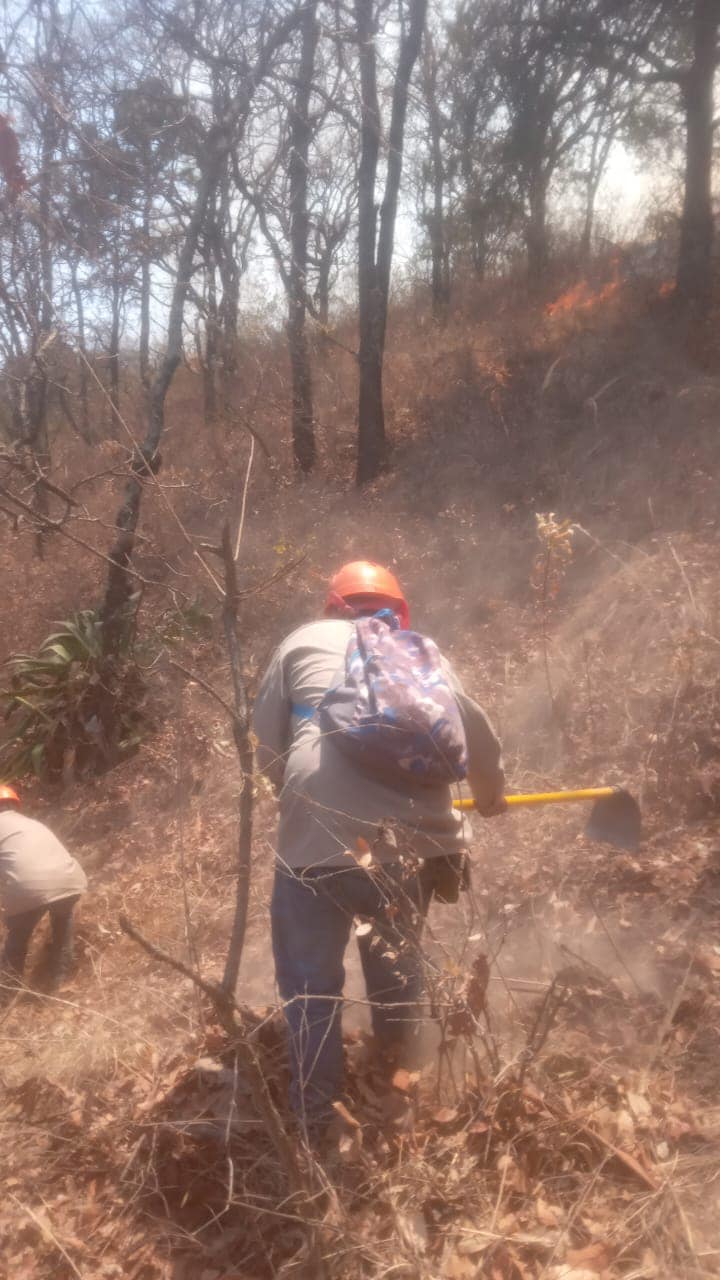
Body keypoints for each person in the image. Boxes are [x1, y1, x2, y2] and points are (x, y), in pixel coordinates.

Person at [254, 561, 505, 1134]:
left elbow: (266, 743)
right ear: (397, 610)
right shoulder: (422, 652)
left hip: (314, 839)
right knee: (396, 969)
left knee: (311, 988)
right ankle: (400, 1088)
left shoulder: (301, 641)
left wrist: (291, 791)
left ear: (332, 607)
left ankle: (317, 1122)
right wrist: (490, 798)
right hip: (409, 845)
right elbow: (476, 732)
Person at [0, 785, 87, 992]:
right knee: (63, 923)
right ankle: (61, 981)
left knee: (17, 938)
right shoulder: (32, 823)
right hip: (70, 879)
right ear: (14, 804)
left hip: (29, 887)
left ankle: (6, 993)